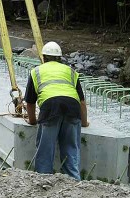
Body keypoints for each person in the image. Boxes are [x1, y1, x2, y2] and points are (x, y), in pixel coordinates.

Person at [24, 41, 89, 180]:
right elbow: (82, 102)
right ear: (59, 58)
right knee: (71, 150)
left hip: (50, 108)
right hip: (72, 108)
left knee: (45, 151)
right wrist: (84, 123)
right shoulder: (70, 71)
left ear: (44, 57)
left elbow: (30, 102)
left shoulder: (36, 72)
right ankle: (74, 183)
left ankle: (43, 181)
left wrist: (32, 121)